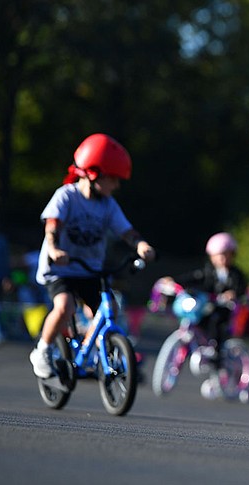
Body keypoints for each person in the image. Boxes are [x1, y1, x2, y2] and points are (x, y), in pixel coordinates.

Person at [29, 133, 156, 378]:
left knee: (108, 309)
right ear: (92, 173)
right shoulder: (67, 196)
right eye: (113, 179)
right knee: (65, 306)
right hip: (61, 268)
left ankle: (92, 351)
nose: (116, 186)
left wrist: (140, 245)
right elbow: (52, 224)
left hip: (89, 269)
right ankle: (42, 350)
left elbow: (126, 230)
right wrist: (54, 249)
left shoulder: (107, 204)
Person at [157, 232, 248, 397]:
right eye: (217, 256)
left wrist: (232, 295)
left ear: (232, 255)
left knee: (217, 323)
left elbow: (240, 290)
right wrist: (174, 282)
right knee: (198, 319)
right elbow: (192, 278)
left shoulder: (236, 275)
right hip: (205, 308)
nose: (221, 259)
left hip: (223, 311)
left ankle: (216, 355)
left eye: (225, 255)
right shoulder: (208, 272)